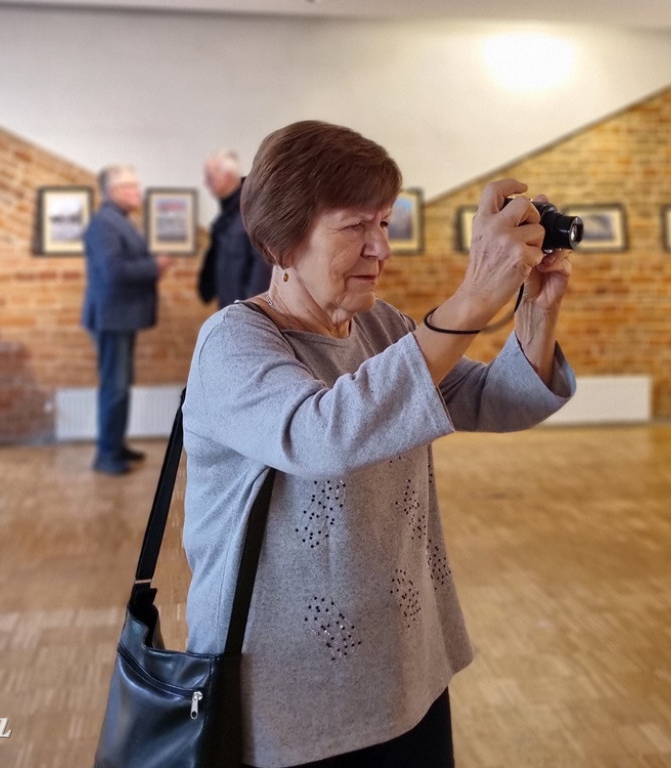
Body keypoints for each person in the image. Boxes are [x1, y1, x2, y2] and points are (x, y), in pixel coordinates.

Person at [181, 120, 576, 768]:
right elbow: (323, 435)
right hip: (288, 692)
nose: (380, 248)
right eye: (354, 227)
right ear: (281, 243)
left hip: (406, 668)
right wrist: (475, 296)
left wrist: (537, 308)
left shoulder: (381, 325)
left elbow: (497, 400)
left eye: (385, 223)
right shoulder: (234, 341)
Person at [81, 165, 171, 476]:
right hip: (111, 317)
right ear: (114, 191)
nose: (138, 192)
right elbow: (114, 272)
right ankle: (106, 453)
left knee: (120, 385)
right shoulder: (105, 224)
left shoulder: (117, 220)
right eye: (132, 186)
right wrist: (155, 266)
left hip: (120, 316)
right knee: (115, 387)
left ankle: (115, 445)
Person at [197, 149, 271, 308]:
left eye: (210, 177)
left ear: (229, 176)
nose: (206, 183)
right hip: (230, 309)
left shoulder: (250, 212)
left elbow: (262, 269)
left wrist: (252, 311)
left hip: (247, 312)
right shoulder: (226, 218)